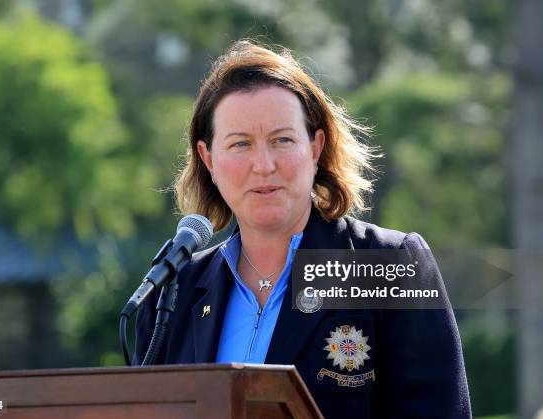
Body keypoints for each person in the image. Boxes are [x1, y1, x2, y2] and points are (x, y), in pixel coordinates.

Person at [135, 40, 471, 418]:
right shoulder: (173, 291)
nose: (263, 165)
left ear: (315, 147)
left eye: (282, 140)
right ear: (208, 158)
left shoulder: (391, 267)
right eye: (240, 144)